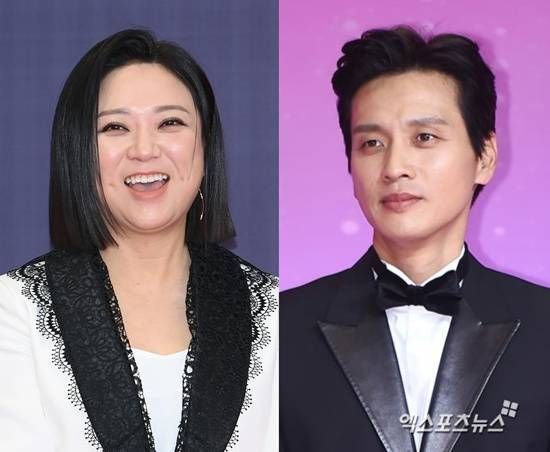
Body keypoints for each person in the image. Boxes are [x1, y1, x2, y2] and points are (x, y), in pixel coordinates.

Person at [0, 29, 277, 452]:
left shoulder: (275, 312)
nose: (144, 150)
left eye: (170, 123)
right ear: (78, 153)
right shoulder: (14, 309)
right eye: (115, 127)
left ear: (205, 149)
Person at [280, 26, 550, 452]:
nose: (394, 167)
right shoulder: (276, 332)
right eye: (372, 143)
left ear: (484, 157)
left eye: (424, 138)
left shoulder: (543, 327)